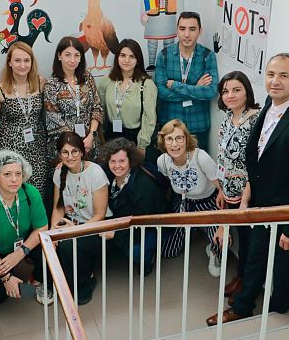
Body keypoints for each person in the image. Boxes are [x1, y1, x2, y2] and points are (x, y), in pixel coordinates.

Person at [214, 53, 289, 324]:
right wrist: (249, 191)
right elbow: (259, 157)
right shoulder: (269, 104)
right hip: (263, 204)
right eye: (271, 75)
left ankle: (279, 312)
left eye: (284, 76)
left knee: (285, 267)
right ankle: (244, 306)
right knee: (256, 259)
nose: (275, 81)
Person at [205, 71, 261, 321]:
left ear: (247, 91)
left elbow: (255, 165)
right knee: (239, 237)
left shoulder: (255, 120)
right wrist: (220, 189)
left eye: (236, 90)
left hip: (246, 194)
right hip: (228, 189)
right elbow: (222, 156)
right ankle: (240, 277)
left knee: (248, 241)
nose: (230, 95)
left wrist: (245, 200)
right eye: (226, 91)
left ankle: (246, 284)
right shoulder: (228, 116)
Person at [0, 150, 53, 305]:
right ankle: (29, 290)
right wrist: (6, 278)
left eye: (18, 174)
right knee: (0, 293)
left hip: (19, 244)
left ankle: (37, 280)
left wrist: (20, 254)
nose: (14, 179)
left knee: (49, 248)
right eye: (7, 174)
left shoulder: (31, 193)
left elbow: (42, 227)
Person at [156, 119, 222, 275]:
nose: (174, 144)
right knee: (168, 252)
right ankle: (189, 230)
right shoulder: (162, 161)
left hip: (209, 203)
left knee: (220, 242)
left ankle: (213, 250)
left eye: (179, 138)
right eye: (169, 139)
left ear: (186, 139)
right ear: (163, 142)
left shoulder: (201, 157)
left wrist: (222, 226)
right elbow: (169, 184)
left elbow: (222, 190)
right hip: (183, 203)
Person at [51, 132, 111, 305]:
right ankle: (67, 282)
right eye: (65, 152)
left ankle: (84, 282)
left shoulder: (96, 173)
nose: (70, 157)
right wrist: (53, 232)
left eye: (74, 151)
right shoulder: (59, 172)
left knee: (68, 245)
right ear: (59, 154)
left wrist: (74, 231)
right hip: (71, 223)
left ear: (82, 152)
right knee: (53, 245)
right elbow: (58, 208)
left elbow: (100, 215)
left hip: (96, 227)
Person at [0, 42, 49, 195]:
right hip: (10, 149)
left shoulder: (40, 83)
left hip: (37, 148)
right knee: (12, 191)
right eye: (17, 60)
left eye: (26, 60)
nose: (22, 65)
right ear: (9, 62)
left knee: (37, 192)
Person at [155, 12, 219, 152]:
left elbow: (211, 92)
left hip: (198, 125)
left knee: (198, 164)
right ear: (177, 30)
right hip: (170, 125)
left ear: (200, 31)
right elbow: (161, 92)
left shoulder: (207, 56)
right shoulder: (164, 55)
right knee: (169, 164)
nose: (187, 34)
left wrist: (176, 85)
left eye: (192, 29)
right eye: (182, 29)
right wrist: (196, 88)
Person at [101, 138, 167, 273]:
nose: (117, 166)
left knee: (136, 251)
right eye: (112, 161)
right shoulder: (109, 176)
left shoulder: (142, 184)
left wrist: (116, 235)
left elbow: (143, 221)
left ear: (130, 160)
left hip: (150, 225)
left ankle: (148, 258)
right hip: (125, 221)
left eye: (121, 161)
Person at [44, 36, 103, 162]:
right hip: (65, 147)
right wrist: (75, 144)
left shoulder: (87, 78)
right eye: (67, 55)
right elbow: (53, 118)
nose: (72, 60)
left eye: (77, 55)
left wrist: (91, 135)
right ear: (59, 56)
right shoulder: (52, 84)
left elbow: (97, 107)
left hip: (89, 143)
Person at [97, 39, 157, 159]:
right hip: (110, 136)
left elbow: (150, 118)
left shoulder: (146, 84)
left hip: (134, 138)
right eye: (123, 55)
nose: (126, 60)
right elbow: (100, 109)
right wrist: (101, 137)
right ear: (117, 58)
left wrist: (142, 145)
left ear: (138, 60)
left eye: (132, 56)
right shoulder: (107, 81)